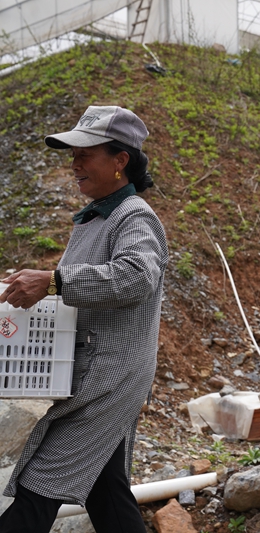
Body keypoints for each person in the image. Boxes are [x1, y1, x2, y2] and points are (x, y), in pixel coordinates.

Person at [0, 106, 168, 533]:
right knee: (106, 492)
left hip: (108, 376)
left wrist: (53, 281)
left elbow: (137, 276)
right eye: (73, 155)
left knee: (39, 486)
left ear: (120, 160)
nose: (74, 164)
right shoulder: (95, 219)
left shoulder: (133, 215)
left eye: (85, 154)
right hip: (92, 369)